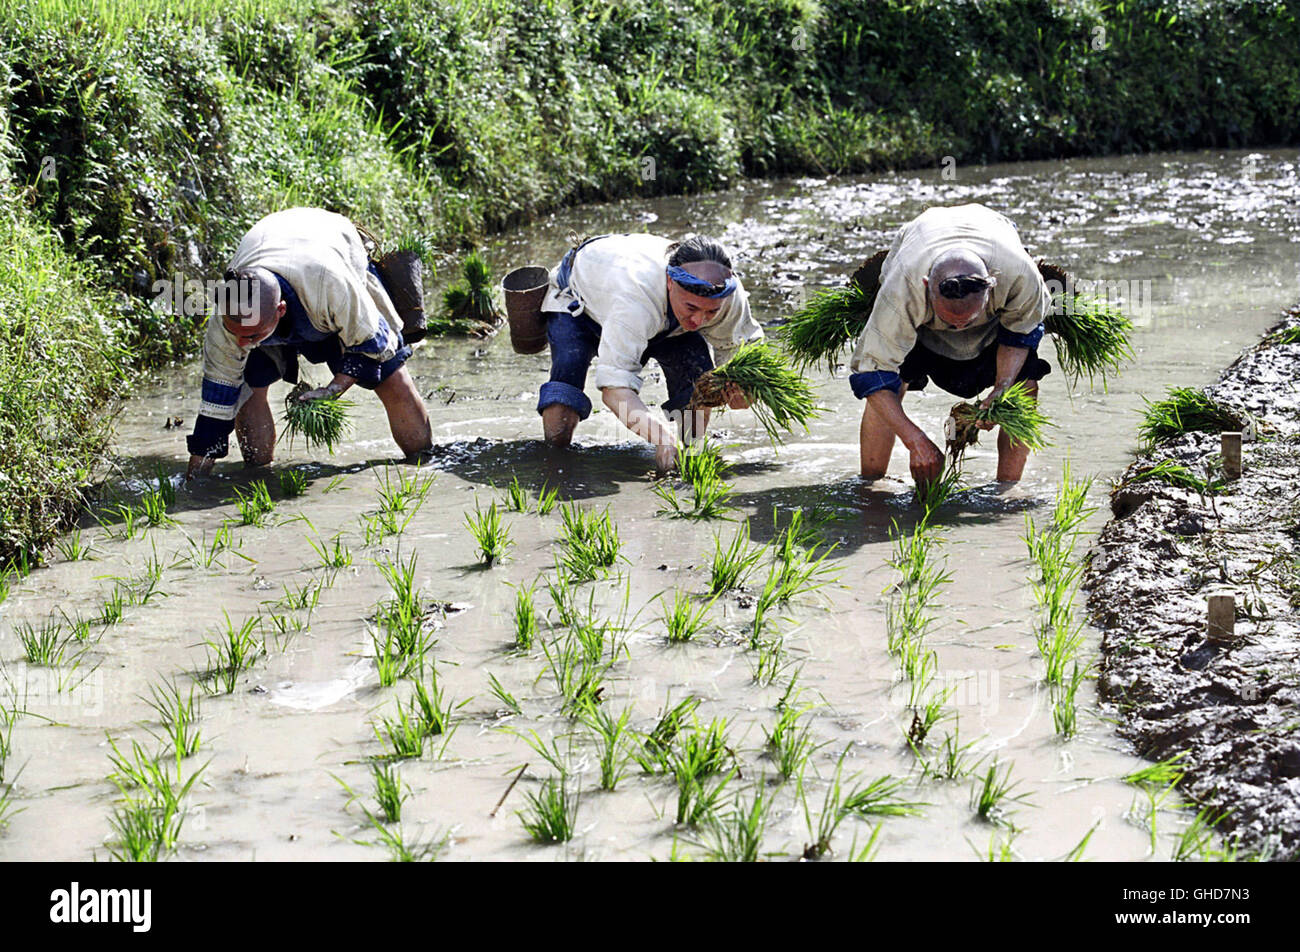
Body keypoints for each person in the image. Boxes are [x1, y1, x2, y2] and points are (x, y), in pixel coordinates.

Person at [184, 208, 432, 479]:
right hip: (275, 247)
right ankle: (257, 475)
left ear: (279, 310)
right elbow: (216, 403)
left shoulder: (331, 284)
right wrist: (195, 479)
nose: (243, 343)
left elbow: (370, 343)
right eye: (237, 334)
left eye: (252, 336)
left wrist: (333, 389)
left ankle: (424, 462)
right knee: (248, 390)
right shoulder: (227, 320)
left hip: (327, 248)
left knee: (392, 379)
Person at [848, 203, 1052, 486]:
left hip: (992, 318)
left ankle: (1007, 491)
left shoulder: (1020, 275)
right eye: (950, 319)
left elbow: (1020, 335)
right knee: (892, 385)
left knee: (1025, 386)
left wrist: (1002, 387)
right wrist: (915, 440)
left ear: (991, 287)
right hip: (922, 321)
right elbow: (872, 375)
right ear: (925, 285)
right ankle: (869, 485)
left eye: (966, 320)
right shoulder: (902, 289)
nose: (957, 327)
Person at [536, 233, 763, 471]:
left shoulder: (728, 297)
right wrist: (660, 437)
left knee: (697, 378)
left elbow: (742, 352)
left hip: (664, 319)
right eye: (692, 307)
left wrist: (743, 390)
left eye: (711, 313)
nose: (699, 320)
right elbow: (614, 389)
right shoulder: (635, 299)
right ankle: (556, 462)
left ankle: (690, 453)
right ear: (669, 282)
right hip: (579, 303)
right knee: (568, 375)